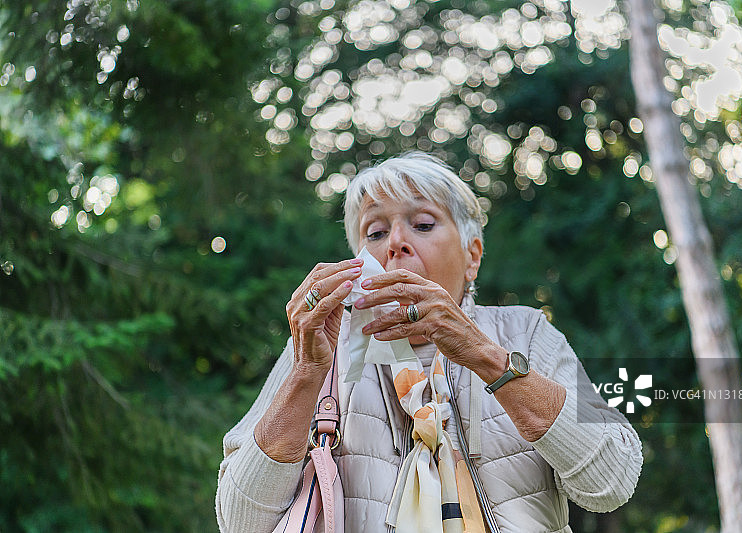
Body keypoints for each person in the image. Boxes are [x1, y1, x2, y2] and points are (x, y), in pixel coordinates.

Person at [215, 151, 642, 533]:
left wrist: (486, 357)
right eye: (375, 232)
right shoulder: (320, 347)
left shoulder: (524, 332)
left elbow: (611, 483)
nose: (396, 243)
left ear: (472, 256)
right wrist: (306, 374)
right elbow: (241, 521)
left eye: (422, 224)